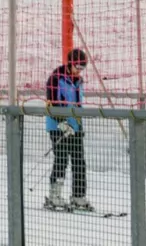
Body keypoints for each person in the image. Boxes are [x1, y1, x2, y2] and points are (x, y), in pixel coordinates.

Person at [45, 48, 91, 212]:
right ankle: (54, 195)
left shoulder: (79, 81)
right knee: (62, 158)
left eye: (82, 69)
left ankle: (78, 195)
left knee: (79, 161)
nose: (79, 72)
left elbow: (78, 104)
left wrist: (78, 127)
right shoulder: (56, 79)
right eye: (77, 67)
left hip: (75, 127)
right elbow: (52, 103)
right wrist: (62, 123)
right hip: (58, 126)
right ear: (70, 64)